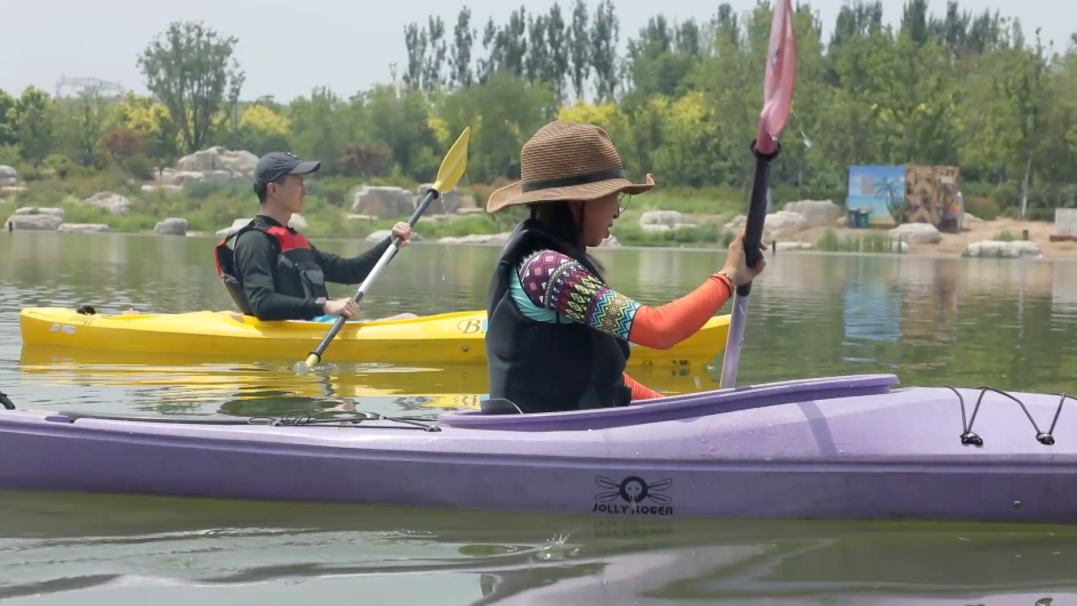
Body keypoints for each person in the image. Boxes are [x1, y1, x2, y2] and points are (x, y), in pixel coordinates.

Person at [483, 121, 767, 414]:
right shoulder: (548, 272)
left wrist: (675, 409)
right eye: (612, 197)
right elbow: (662, 330)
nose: (617, 211)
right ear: (577, 202)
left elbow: (602, 378)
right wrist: (728, 276)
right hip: (539, 440)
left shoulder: (551, 266)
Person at [214, 151, 413, 322]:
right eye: (298, 182)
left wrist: (391, 243)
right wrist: (324, 306)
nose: (305, 190)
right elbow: (262, 303)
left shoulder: (294, 241)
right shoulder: (254, 241)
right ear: (273, 189)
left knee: (407, 320)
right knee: (408, 321)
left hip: (317, 328)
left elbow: (350, 271)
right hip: (297, 335)